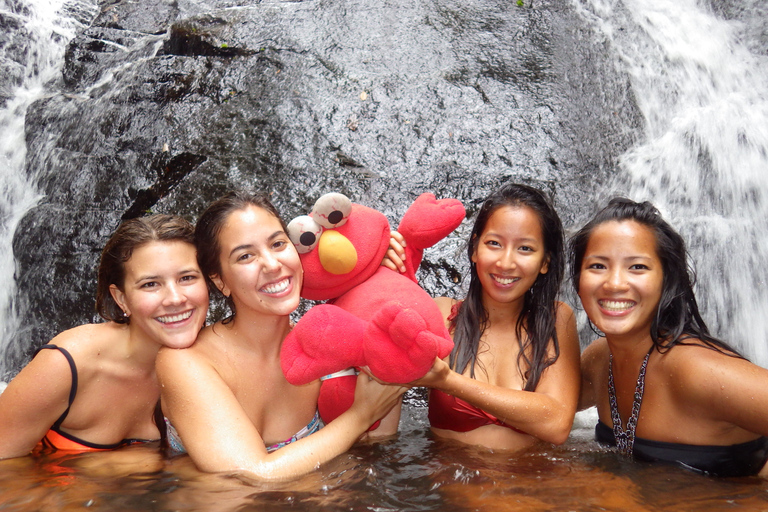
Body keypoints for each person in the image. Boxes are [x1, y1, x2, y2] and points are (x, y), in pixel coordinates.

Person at [156, 191, 406, 482]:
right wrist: (361, 414)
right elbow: (247, 475)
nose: (272, 265)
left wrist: (381, 282)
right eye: (245, 256)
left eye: (278, 244)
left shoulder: (324, 345)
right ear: (220, 280)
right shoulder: (184, 361)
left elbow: (376, 442)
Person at [573, 198, 768, 477]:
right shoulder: (599, 358)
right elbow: (545, 413)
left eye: (637, 267)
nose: (614, 283)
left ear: (666, 281)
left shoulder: (698, 370)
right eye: (598, 266)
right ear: (578, 281)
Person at [385, 183, 580, 451]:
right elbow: (378, 386)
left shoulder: (556, 319)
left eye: (525, 249)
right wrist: (383, 278)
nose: (506, 263)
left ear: (545, 261)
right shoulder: (441, 314)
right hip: (451, 485)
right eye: (494, 244)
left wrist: (448, 382)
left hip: (536, 485)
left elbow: (556, 423)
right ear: (475, 249)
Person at [0, 215, 208, 459]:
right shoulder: (66, 365)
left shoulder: (216, 360)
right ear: (121, 298)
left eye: (187, 278)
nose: (175, 298)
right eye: (150, 284)